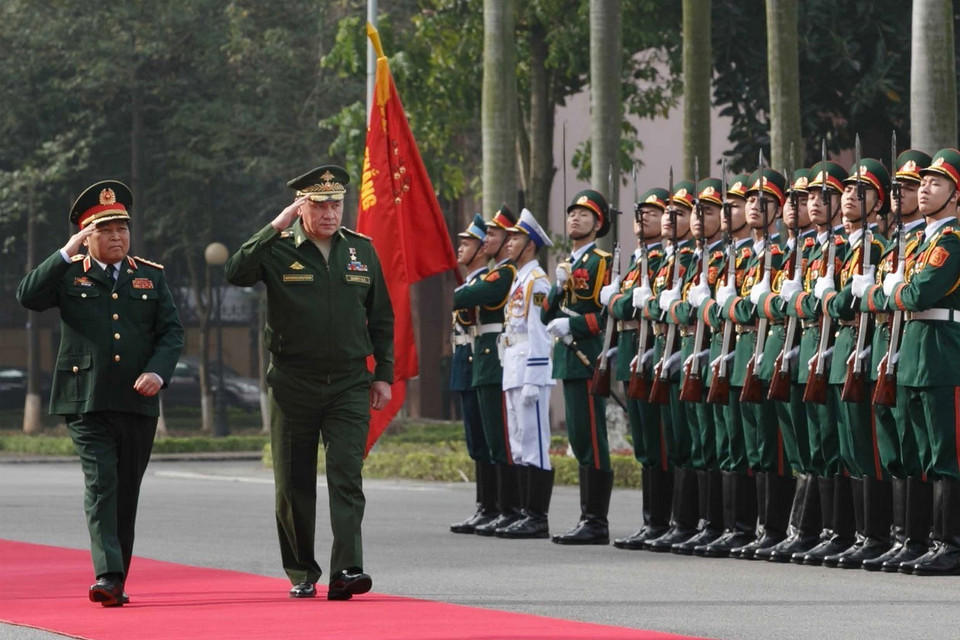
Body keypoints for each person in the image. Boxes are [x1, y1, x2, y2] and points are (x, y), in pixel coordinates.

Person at [224, 165, 394, 600]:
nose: (329, 213)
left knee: (346, 475)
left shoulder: (361, 251)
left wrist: (384, 376)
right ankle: (302, 570)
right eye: (319, 205)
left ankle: (348, 569)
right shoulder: (277, 249)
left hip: (350, 383)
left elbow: (381, 319)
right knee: (294, 482)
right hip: (293, 383)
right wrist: (276, 225)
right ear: (301, 207)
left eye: (336, 204)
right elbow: (236, 272)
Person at [17, 180, 184, 607]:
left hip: (137, 400)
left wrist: (158, 373)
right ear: (86, 236)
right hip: (86, 399)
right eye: (106, 231)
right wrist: (64, 252)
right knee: (102, 484)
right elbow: (28, 296)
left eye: (122, 230)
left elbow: (171, 334)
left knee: (126, 491)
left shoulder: (150, 276)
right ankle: (107, 576)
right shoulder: (69, 272)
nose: (116, 238)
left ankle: (117, 578)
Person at [542, 189, 614, 545]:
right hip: (568, 360)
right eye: (572, 213)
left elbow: (606, 314)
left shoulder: (601, 262)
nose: (575, 218)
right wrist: (556, 289)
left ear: (598, 223)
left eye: (584, 214)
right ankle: (587, 517)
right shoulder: (566, 264)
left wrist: (575, 325)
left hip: (588, 355)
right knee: (578, 438)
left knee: (592, 438)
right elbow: (545, 315)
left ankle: (596, 521)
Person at [454, 205, 522, 536]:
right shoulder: (499, 272)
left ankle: (506, 508)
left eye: (493, 235)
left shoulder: (505, 273)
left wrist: (462, 292)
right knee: (483, 441)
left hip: (496, 361)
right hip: (481, 361)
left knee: (500, 440)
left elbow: (476, 294)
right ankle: (490, 506)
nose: (486, 241)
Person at [495, 208, 556, 539]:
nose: (508, 243)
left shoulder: (537, 281)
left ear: (530, 244)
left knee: (535, 443)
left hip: (530, 369)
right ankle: (523, 511)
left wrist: (535, 376)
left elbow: (540, 332)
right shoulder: (519, 279)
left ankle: (537, 515)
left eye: (515, 238)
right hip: (513, 366)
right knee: (519, 442)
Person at [449, 214, 498, 533]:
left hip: (480, 361)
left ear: (482, 250)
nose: (459, 249)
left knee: (488, 440)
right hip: (465, 363)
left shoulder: (487, 283)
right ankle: (484, 505)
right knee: (475, 442)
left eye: (466, 244)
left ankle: (493, 506)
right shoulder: (469, 284)